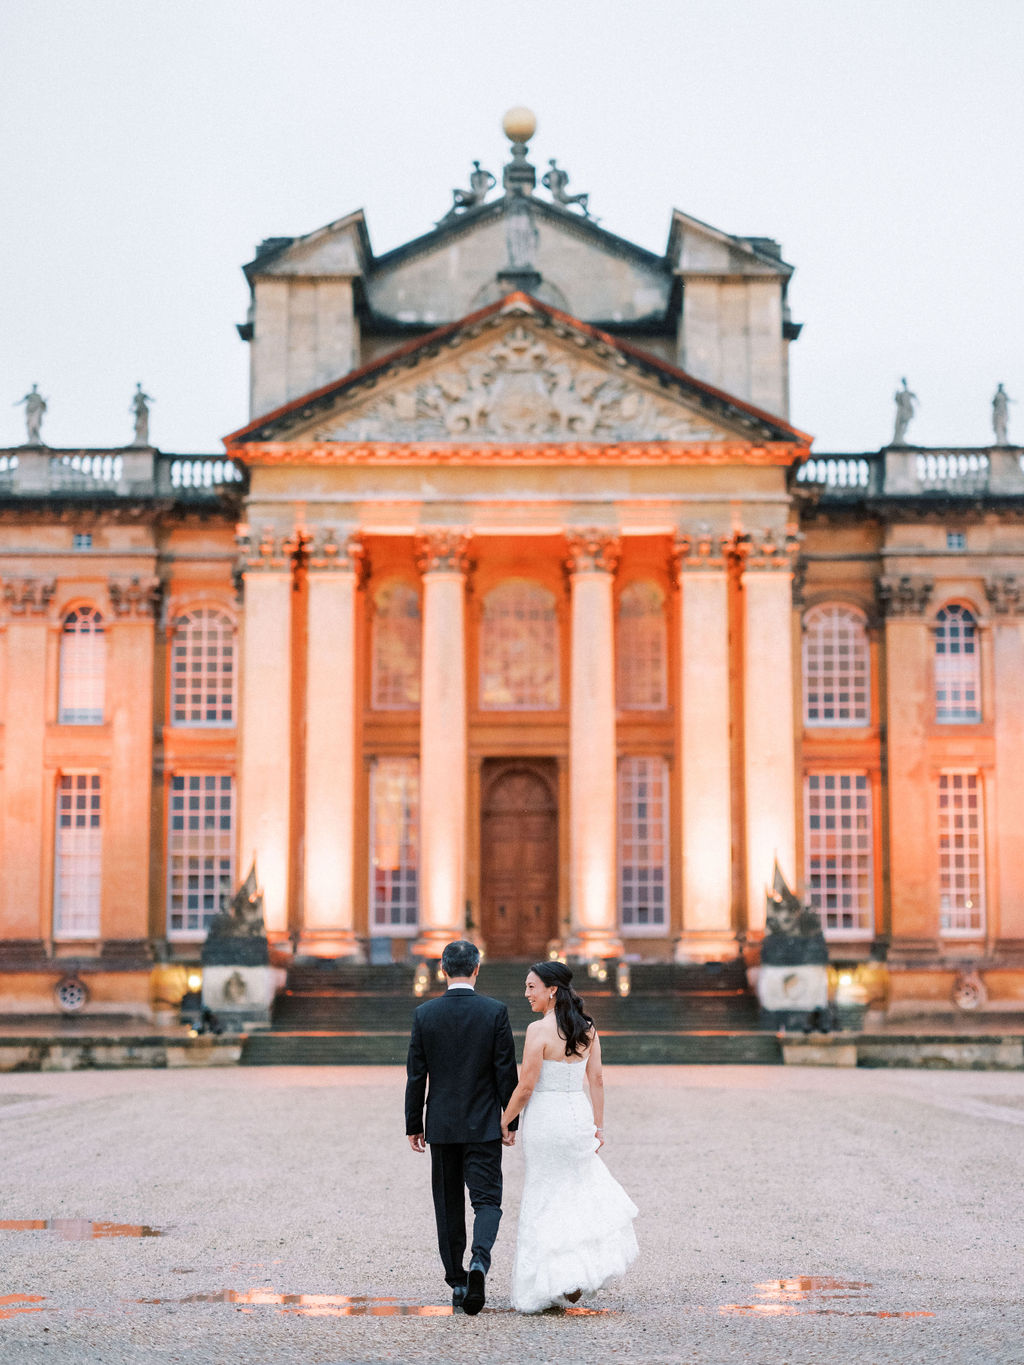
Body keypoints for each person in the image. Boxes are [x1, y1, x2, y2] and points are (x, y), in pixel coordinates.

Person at [500, 961, 638, 1313]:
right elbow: (597, 1080)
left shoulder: (538, 1031)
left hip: (546, 1119)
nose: (526, 993)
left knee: (544, 1194)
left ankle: (550, 1281)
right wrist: (599, 1126)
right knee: (575, 1193)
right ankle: (574, 1274)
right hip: (577, 1117)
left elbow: (527, 1085)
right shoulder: (588, 1029)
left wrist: (505, 1120)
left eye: (532, 987)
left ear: (552, 990)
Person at [405, 939, 519, 1315]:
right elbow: (506, 1071)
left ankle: (457, 1281)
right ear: (476, 969)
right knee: (487, 1201)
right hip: (485, 1123)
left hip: (440, 1125)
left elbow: (416, 1075)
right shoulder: (494, 1012)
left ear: (442, 969)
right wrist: (510, 1120)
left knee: (448, 1204)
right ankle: (479, 1263)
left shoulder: (425, 1014)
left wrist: (413, 1124)